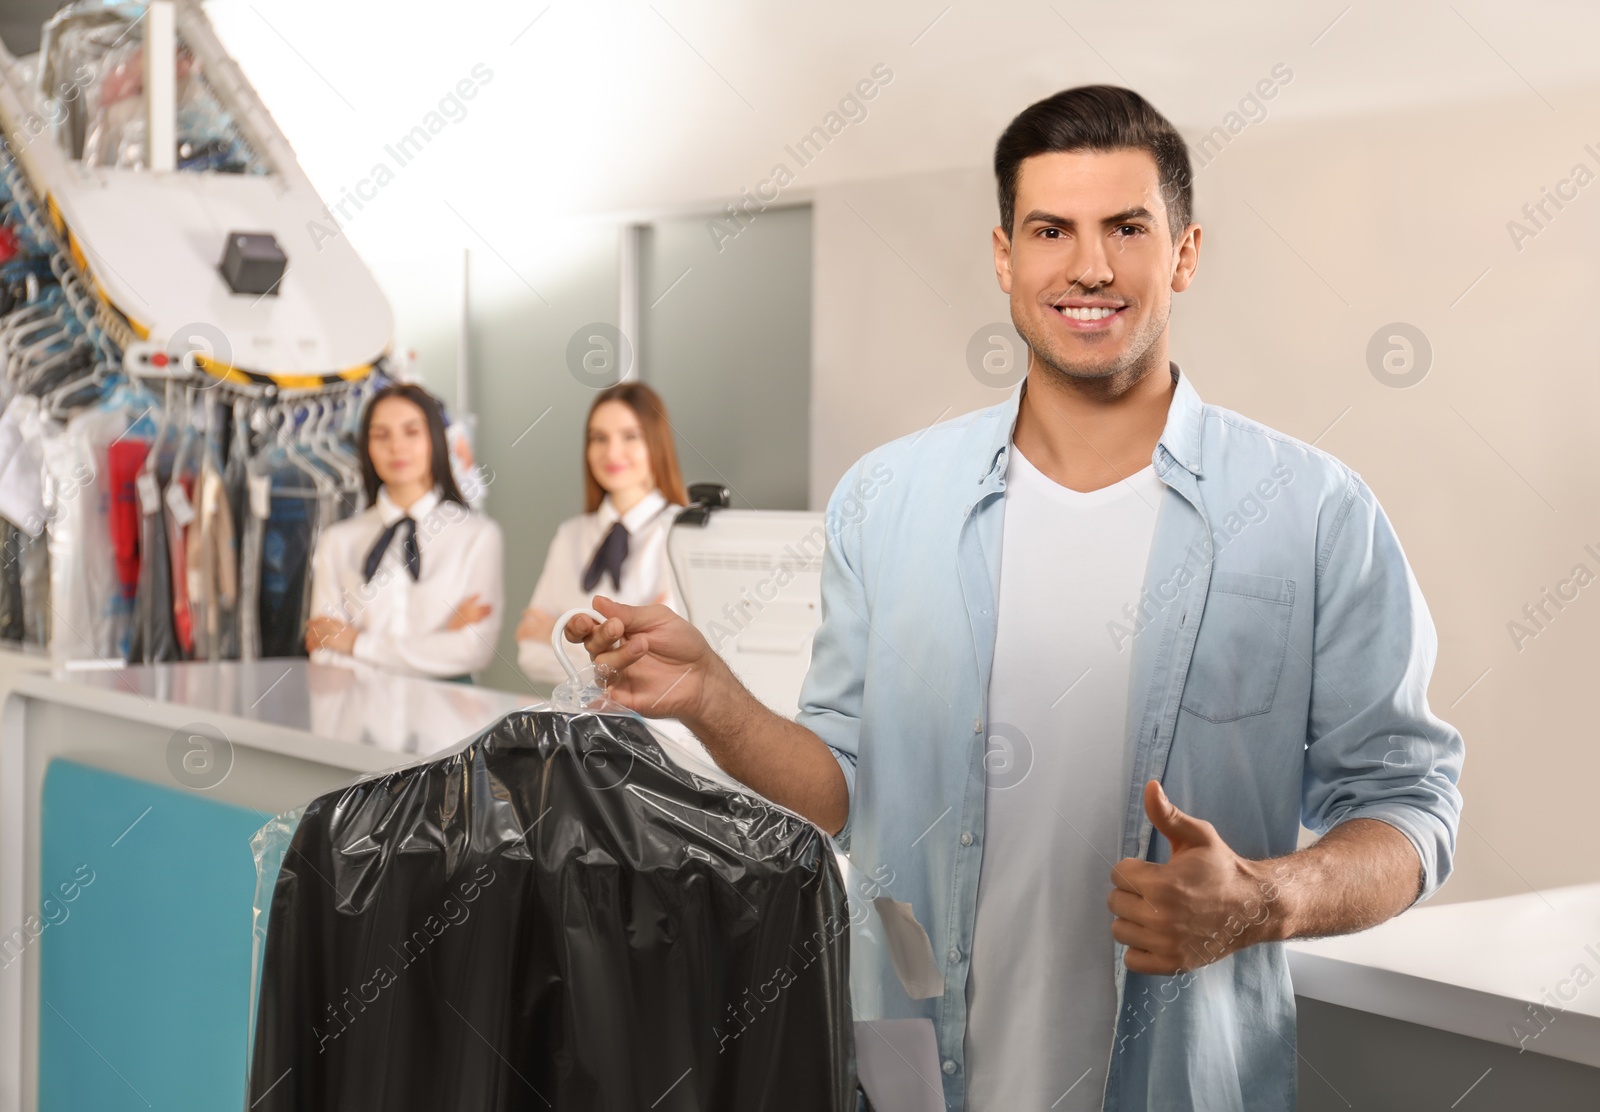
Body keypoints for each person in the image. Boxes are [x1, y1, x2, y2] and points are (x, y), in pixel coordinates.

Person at [563, 86, 1465, 1111]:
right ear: (1004, 257)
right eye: (1052, 230)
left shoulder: (1311, 512)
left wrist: (1262, 901)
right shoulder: (888, 499)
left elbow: (1409, 805)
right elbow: (848, 789)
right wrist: (712, 697)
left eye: (1127, 227)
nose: (1088, 266)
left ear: (1185, 253)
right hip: (914, 1084)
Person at [306, 382, 503, 682]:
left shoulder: (477, 536)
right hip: (358, 719)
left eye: (411, 432)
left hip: (448, 720)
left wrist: (356, 642)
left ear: (435, 440)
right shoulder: (339, 540)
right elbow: (325, 653)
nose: (396, 447)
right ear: (366, 447)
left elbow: (474, 650)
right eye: (381, 435)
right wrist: (437, 643)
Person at [516, 382, 687, 686]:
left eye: (630, 436)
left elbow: (661, 663)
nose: (612, 452)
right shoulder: (569, 535)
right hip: (577, 724)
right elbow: (529, 654)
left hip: (658, 729)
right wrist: (622, 649)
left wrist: (555, 636)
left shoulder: (681, 534)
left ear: (656, 443)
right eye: (599, 438)